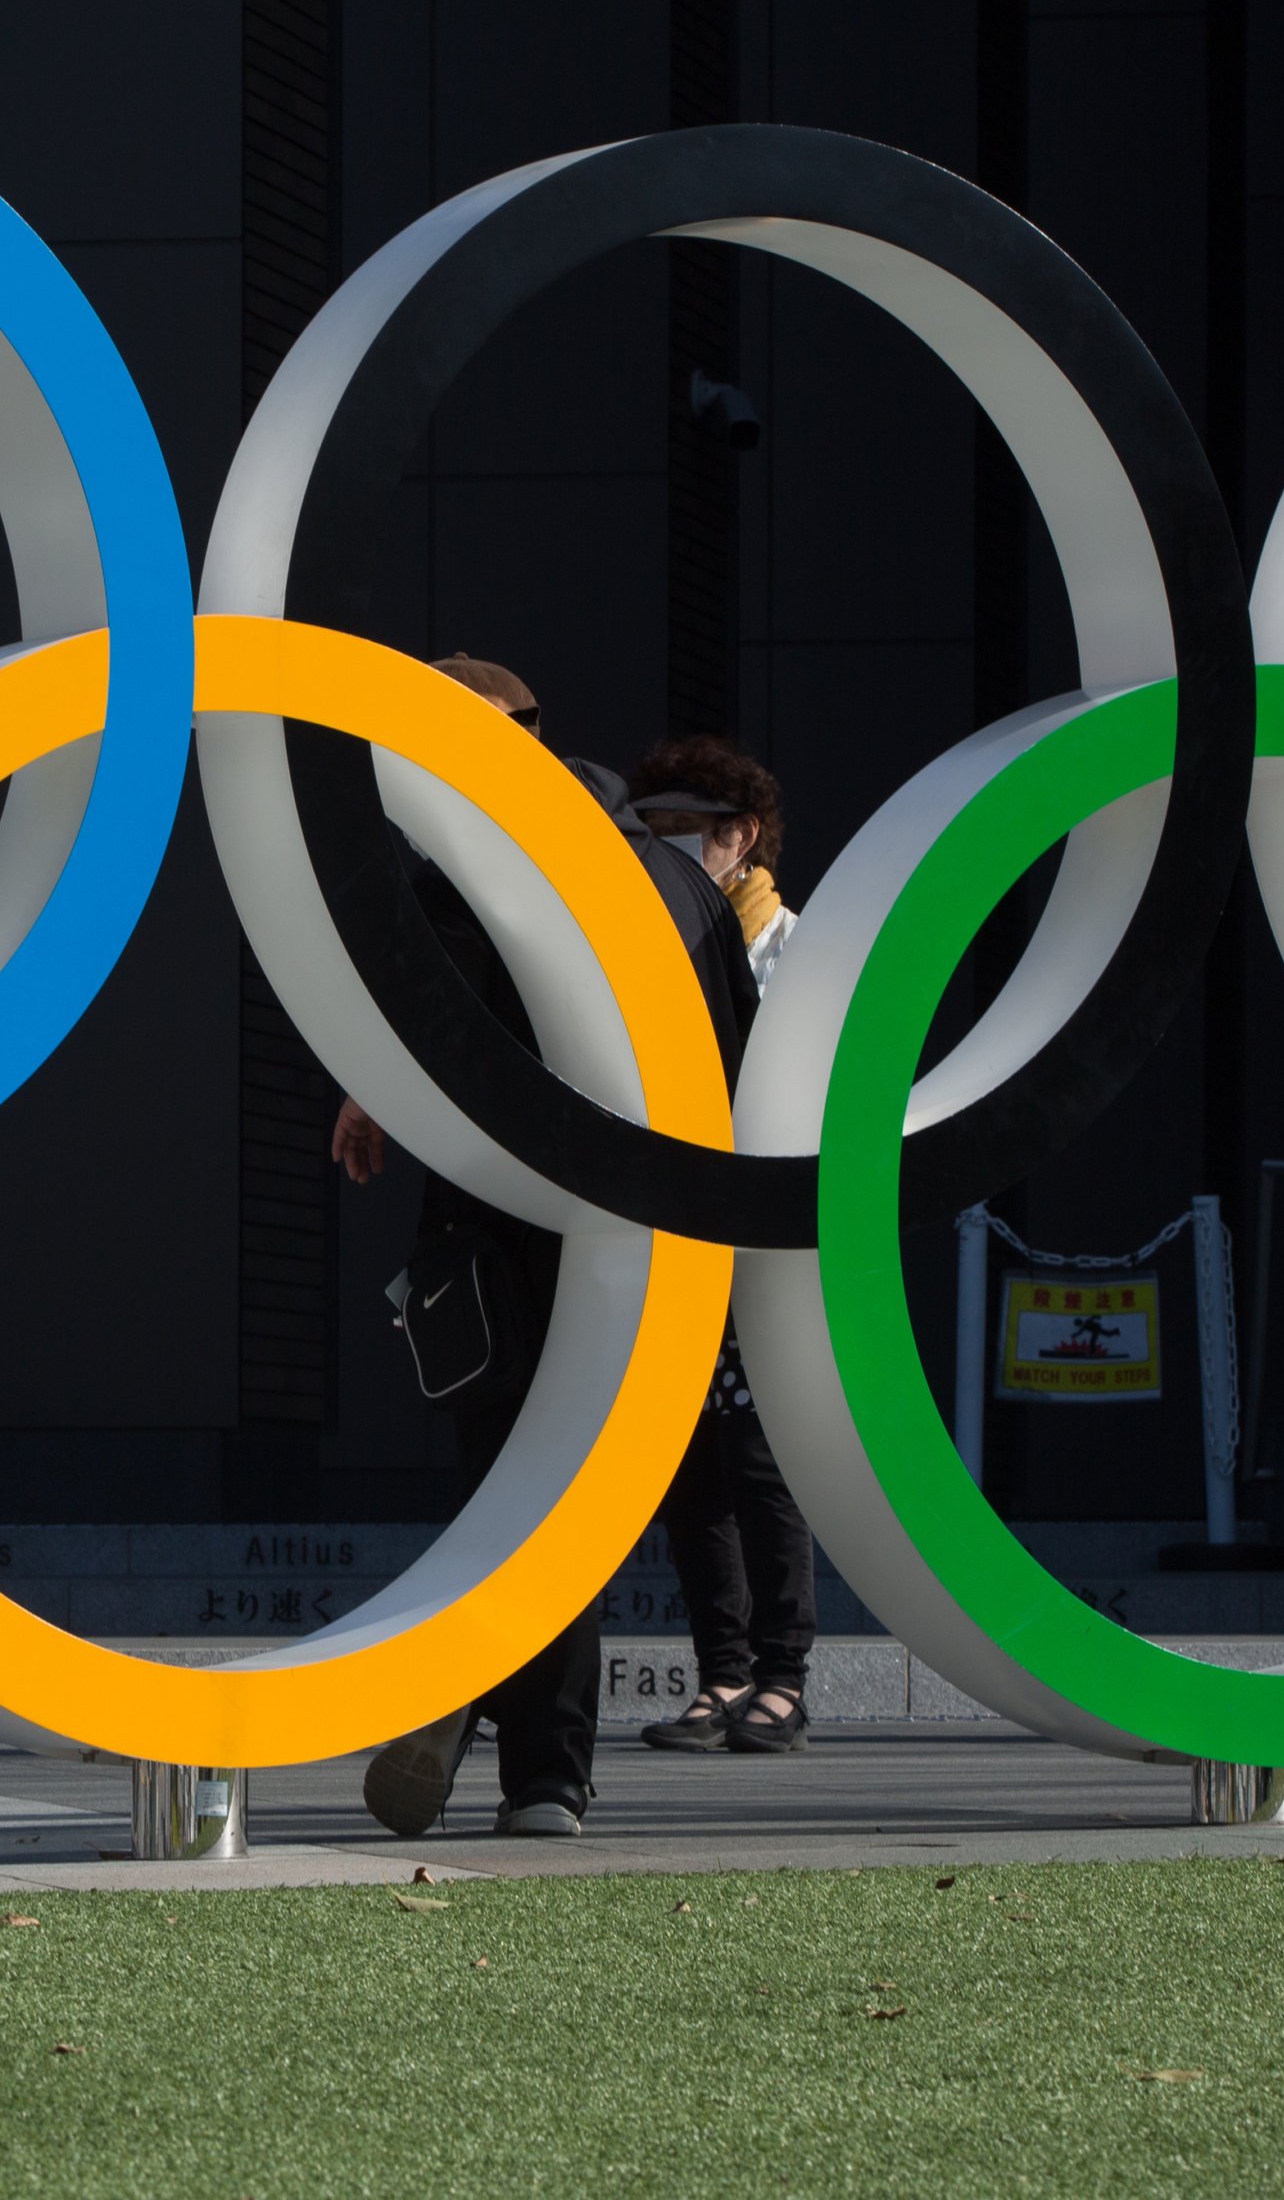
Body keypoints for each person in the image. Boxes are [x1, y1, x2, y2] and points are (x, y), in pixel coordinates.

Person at [341, 659, 753, 1839]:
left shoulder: (475, 876)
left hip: (509, 1231)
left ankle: (475, 1706)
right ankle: (538, 1769)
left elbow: (433, 1039)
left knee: (514, 1494)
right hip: (659, 1237)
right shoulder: (680, 883)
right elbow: (740, 1063)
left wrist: (374, 1092)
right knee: (575, 1501)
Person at [619, 735, 816, 1755]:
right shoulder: (641, 942)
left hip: (764, 1244)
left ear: (740, 837)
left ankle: (781, 1675)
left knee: (759, 1454)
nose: (663, 854)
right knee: (689, 1462)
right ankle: (720, 1671)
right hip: (679, 1230)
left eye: (682, 834)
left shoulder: (794, 947)